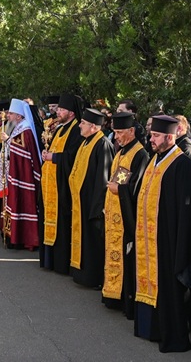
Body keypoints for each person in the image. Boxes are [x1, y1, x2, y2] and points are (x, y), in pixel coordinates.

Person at [133, 114, 191, 352]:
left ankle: (174, 334)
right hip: (151, 239)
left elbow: (189, 211)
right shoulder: (155, 160)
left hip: (170, 241)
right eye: (151, 134)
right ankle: (152, 328)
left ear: (169, 136)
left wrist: (182, 247)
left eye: (155, 135)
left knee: (171, 288)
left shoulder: (181, 164)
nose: (150, 139)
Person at [102, 111, 149, 318]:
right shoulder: (122, 152)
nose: (116, 136)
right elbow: (120, 180)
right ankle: (114, 295)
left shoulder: (140, 154)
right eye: (114, 132)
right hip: (114, 214)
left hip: (126, 219)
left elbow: (136, 189)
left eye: (120, 132)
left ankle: (125, 299)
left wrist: (117, 190)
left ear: (131, 131)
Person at [68, 107, 114, 288]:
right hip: (82, 200)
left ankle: (93, 278)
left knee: (93, 242)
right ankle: (82, 275)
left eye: (84, 123)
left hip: (92, 205)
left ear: (94, 127)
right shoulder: (86, 142)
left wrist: (97, 208)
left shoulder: (103, 145)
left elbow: (103, 179)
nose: (80, 125)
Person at [39, 93, 84, 274]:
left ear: (71, 113)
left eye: (62, 109)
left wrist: (54, 157)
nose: (58, 111)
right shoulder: (59, 128)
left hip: (62, 186)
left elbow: (74, 157)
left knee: (62, 222)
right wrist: (46, 153)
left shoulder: (75, 130)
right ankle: (49, 260)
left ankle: (61, 262)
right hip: (50, 183)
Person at [0, 99, 42, 249]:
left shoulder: (26, 130)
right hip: (15, 175)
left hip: (24, 177)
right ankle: (13, 234)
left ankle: (24, 237)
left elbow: (23, 152)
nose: (8, 116)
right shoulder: (19, 128)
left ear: (19, 116)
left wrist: (8, 141)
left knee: (22, 202)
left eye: (11, 113)